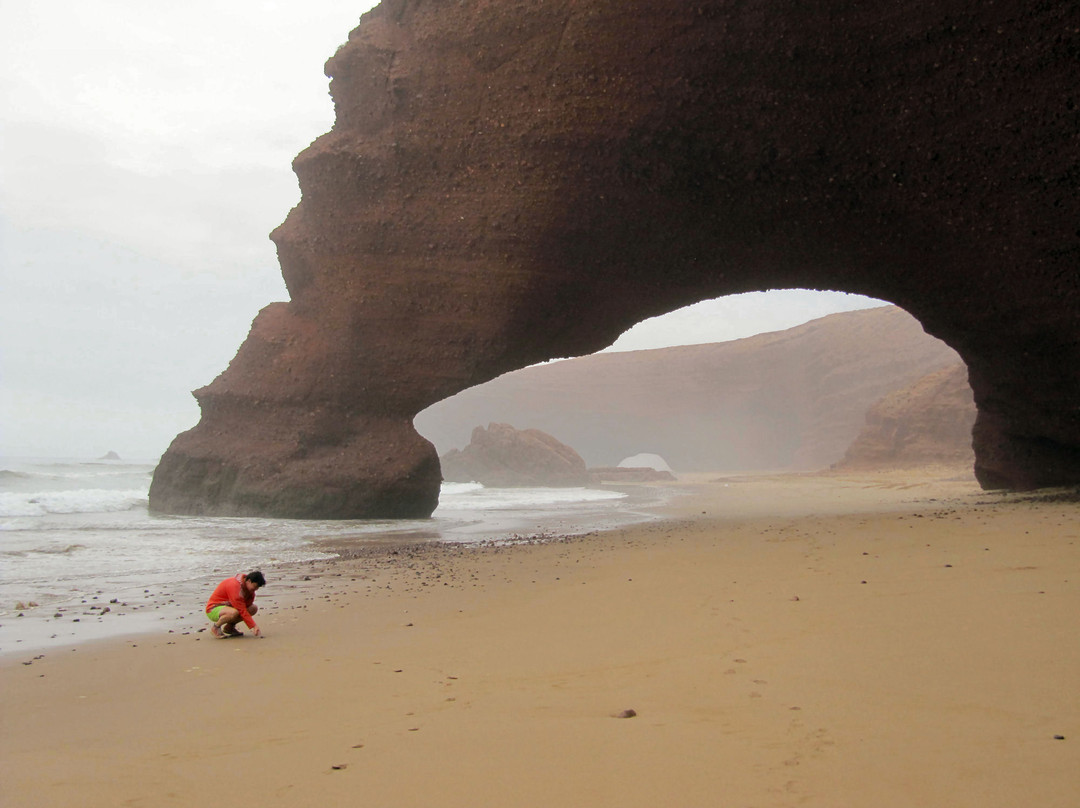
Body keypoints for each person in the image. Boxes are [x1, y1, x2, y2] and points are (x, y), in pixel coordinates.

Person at [205, 570, 265, 638]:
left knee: (253, 608)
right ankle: (216, 627)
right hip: (213, 609)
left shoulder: (250, 591)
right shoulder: (235, 586)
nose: (256, 589)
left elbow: (246, 607)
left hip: (229, 608)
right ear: (249, 581)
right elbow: (241, 609)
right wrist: (253, 626)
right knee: (234, 612)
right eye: (255, 586)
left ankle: (229, 627)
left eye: (257, 587)